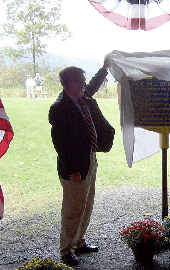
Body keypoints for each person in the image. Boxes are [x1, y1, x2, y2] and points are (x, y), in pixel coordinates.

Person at [48, 57, 110, 266]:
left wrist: (105, 68)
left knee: (86, 204)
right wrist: (72, 170)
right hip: (74, 167)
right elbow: (60, 144)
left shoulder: (81, 97)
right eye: (80, 81)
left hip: (89, 160)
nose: (84, 84)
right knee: (73, 209)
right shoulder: (60, 108)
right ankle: (66, 250)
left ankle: (79, 242)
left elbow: (92, 85)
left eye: (84, 81)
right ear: (69, 84)